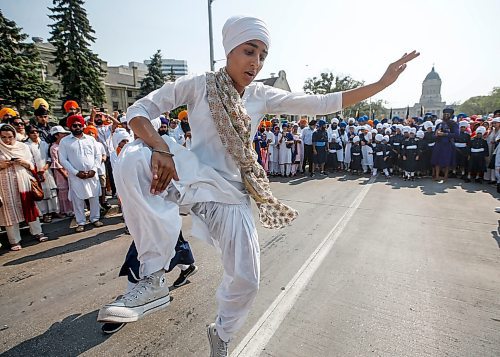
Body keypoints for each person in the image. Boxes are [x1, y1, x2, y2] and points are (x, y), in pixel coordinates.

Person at [95, 15, 418, 356]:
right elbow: (139, 109)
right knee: (133, 154)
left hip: (230, 194)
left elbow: (320, 103)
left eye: (263, 55)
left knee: (247, 280)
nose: (256, 62)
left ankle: (221, 333)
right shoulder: (198, 84)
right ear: (230, 50)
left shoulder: (261, 95)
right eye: (249, 51)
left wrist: (382, 83)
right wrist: (160, 147)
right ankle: (153, 277)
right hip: (192, 177)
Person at [0, 124, 48, 250]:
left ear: (14, 135)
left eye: (10, 137)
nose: (7, 140)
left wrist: (24, 162)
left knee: (29, 206)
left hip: (23, 181)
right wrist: (1, 165)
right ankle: (14, 240)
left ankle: (37, 232)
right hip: (5, 184)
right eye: (3, 137)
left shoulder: (22, 147)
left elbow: (31, 164)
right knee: (9, 211)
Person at [58, 114, 103, 232]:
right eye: (74, 125)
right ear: (69, 127)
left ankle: (95, 218)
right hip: (76, 176)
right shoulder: (65, 141)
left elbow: (97, 155)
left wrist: (94, 169)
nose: (77, 127)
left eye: (79, 125)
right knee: (78, 200)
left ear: (83, 126)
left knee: (94, 197)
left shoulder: (90, 139)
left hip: (92, 174)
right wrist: (75, 172)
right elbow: (62, 159)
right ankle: (81, 222)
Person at [25, 125, 60, 222]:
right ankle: (45, 214)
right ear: (28, 134)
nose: (35, 134)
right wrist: (36, 171)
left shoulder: (44, 143)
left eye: (36, 131)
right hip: (34, 172)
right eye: (32, 132)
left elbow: (49, 157)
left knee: (51, 191)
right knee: (40, 193)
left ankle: (55, 211)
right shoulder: (26, 145)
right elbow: (28, 160)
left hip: (46, 170)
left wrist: (45, 167)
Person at [49, 125, 73, 217]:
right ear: (56, 135)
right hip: (60, 172)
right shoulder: (54, 148)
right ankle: (66, 210)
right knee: (63, 191)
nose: (64, 135)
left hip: (69, 170)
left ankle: (72, 208)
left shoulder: (64, 145)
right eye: (62, 134)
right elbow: (56, 163)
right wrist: (64, 174)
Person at [431, 108, 459, 182]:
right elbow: (434, 136)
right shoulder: (439, 124)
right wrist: (436, 134)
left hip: (448, 144)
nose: (446, 116)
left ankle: (445, 177)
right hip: (438, 144)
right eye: (445, 114)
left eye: (447, 114)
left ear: (451, 115)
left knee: (447, 161)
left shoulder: (454, 124)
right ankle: (437, 176)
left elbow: (456, 135)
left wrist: (445, 134)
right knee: (436, 160)